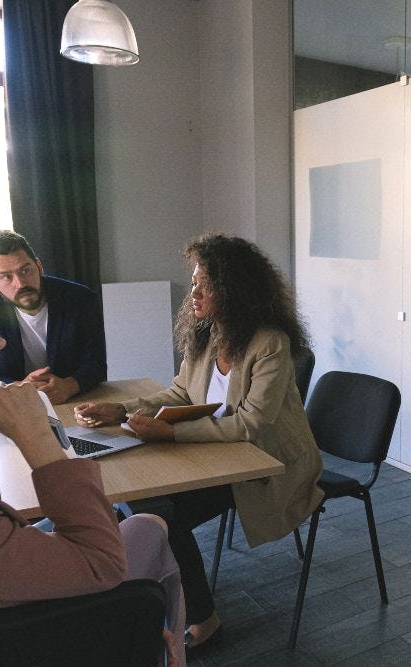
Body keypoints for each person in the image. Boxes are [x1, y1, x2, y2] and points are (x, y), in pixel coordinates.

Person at [0, 263, 185, 665]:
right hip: (21, 641)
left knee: (122, 516)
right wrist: (37, 437)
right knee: (149, 524)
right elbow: (101, 565)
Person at [74, 234, 324, 652]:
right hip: (216, 455)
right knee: (146, 506)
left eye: (204, 285)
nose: (194, 293)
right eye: (194, 282)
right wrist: (121, 411)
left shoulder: (270, 343)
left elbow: (251, 424)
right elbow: (179, 394)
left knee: (160, 514)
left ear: (234, 289)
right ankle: (165, 594)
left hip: (265, 465)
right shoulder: (208, 335)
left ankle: (203, 620)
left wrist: (170, 432)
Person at [0, 230, 106, 404]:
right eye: (6, 276)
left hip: (73, 401)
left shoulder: (81, 300)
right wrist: (18, 387)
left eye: (25, 270)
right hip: (12, 403)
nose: (20, 283)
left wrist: (69, 386)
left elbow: (96, 365)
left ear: (39, 267)